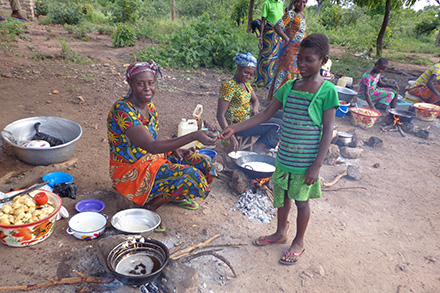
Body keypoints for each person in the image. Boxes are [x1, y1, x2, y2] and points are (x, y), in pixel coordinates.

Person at [219, 34, 339, 265]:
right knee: (282, 197)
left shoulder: (327, 92)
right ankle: (280, 232)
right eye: (299, 59)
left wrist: (317, 165)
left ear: (323, 61)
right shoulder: (290, 86)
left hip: (305, 162)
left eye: (309, 60)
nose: (301, 64)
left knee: (302, 202)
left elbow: (327, 131)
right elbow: (264, 115)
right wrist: (234, 128)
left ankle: (299, 241)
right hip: (284, 159)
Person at [107, 61, 218, 231]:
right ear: (130, 84)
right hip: (130, 170)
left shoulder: (149, 107)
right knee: (190, 176)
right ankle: (150, 207)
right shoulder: (122, 110)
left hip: (153, 158)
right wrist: (194, 135)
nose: (147, 88)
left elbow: (152, 140)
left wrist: (175, 149)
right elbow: (151, 145)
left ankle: (173, 194)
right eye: (140, 84)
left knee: (202, 163)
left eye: (151, 83)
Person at [217, 52, 282, 152]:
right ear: (238, 68)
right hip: (237, 125)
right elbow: (220, 115)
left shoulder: (246, 84)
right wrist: (231, 136)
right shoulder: (229, 86)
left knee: (281, 115)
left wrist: (255, 110)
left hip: (248, 118)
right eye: (246, 72)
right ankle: (259, 147)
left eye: (251, 75)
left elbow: (255, 100)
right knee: (279, 125)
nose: (248, 77)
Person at [267, 0, 307, 100]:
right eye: (300, 2)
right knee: (286, 73)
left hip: (298, 51)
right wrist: (286, 38)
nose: (302, 5)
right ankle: (278, 100)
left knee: (294, 75)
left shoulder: (302, 15)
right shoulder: (290, 14)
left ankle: (287, 100)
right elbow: (277, 26)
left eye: (304, 2)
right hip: (288, 51)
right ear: (294, 2)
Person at [255, 0, 285, 88]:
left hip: (278, 34)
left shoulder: (280, 4)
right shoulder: (267, 3)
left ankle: (270, 82)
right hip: (269, 33)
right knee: (266, 56)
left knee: (275, 57)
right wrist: (260, 36)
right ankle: (261, 81)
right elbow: (263, 21)